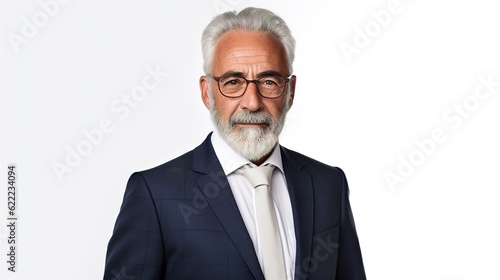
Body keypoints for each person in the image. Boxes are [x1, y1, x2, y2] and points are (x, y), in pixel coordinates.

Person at [104, 7, 366, 280]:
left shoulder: (328, 184)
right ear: (207, 93)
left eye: (268, 81)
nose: (252, 102)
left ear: (290, 92)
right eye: (233, 82)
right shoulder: (155, 195)